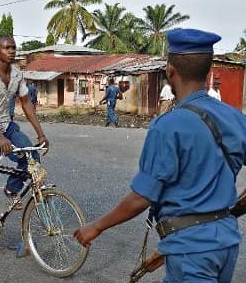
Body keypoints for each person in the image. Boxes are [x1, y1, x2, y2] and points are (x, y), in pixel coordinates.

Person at [74, 28, 246, 282]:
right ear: (208, 71)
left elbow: (141, 198)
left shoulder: (167, 125)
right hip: (226, 242)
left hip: (190, 250)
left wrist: (96, 226)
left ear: (170, 70)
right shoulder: (235, 117)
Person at [0, 36, 50, 251]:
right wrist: (0, 138)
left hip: (6, 126)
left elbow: (25, 102)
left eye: (13, 47)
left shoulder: (17, 75)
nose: (11, 51)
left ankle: (12, 189)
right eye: (7, 48)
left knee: (32, 155)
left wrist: (41, 134)